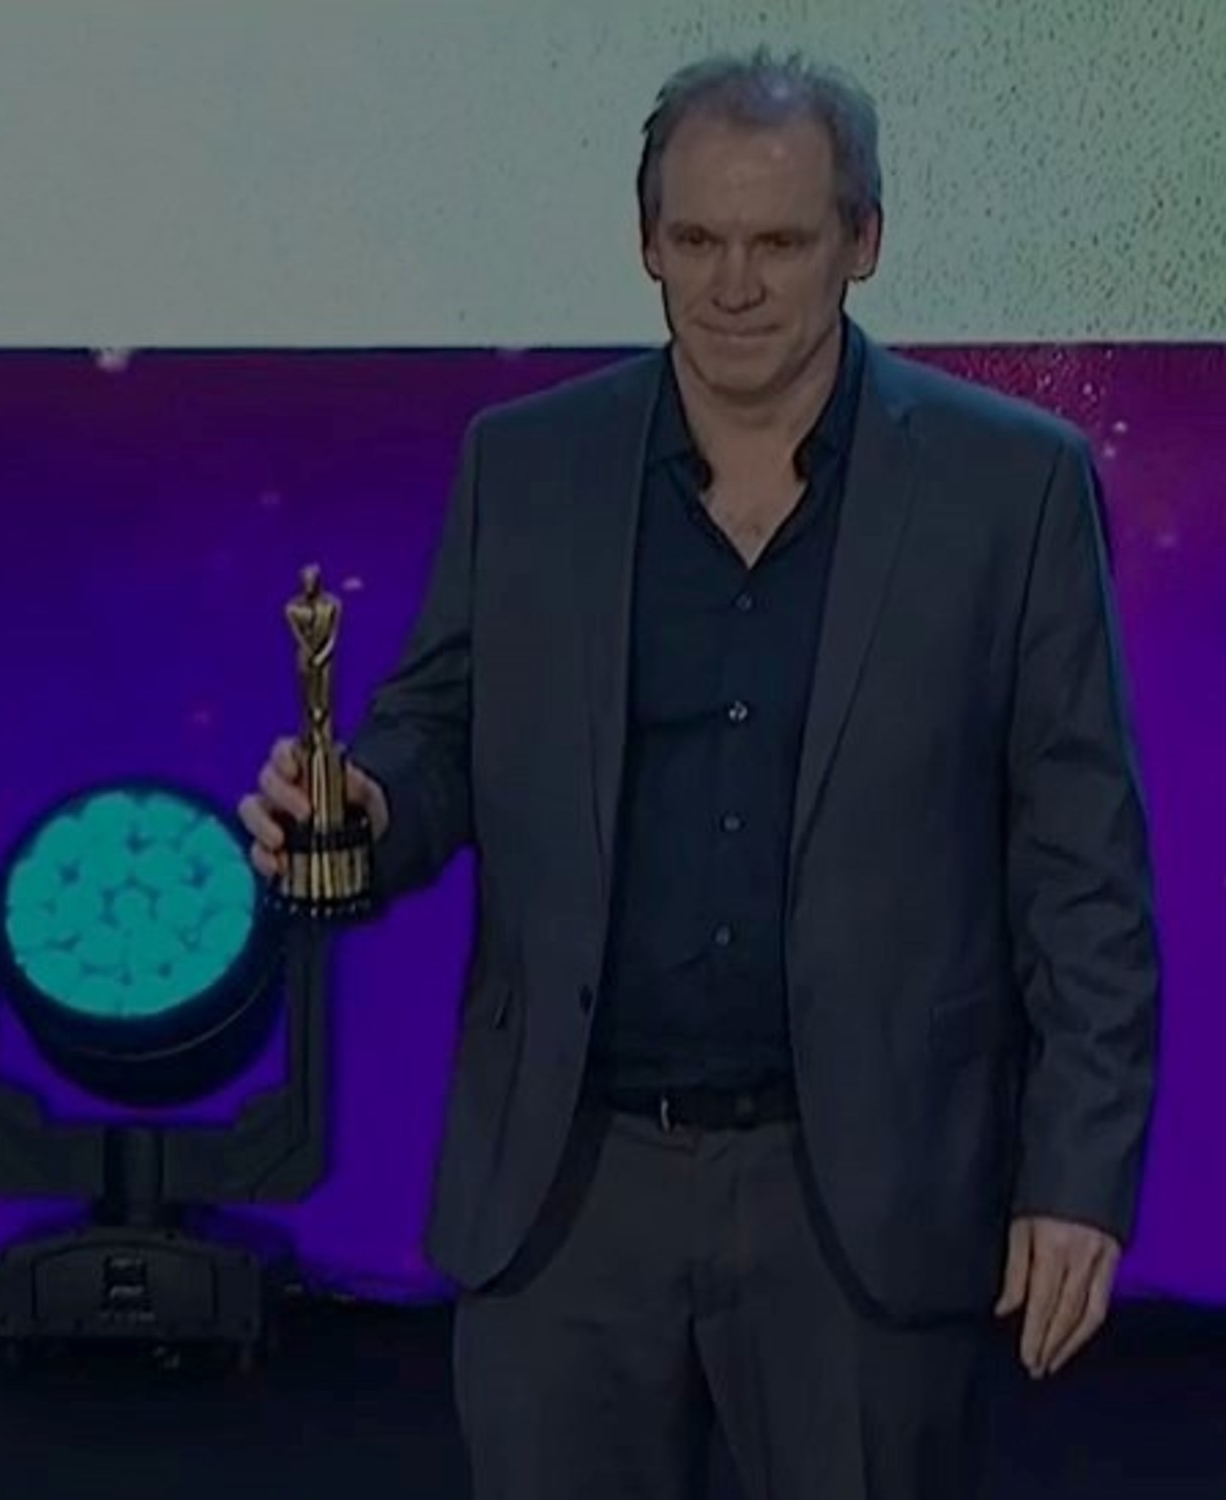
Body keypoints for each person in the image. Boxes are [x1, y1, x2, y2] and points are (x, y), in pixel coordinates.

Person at [240, 48, 1158, 1500]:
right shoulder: (526, 469)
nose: (734, 286)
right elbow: (438, 730)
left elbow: (1082, 870)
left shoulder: (1012, 488)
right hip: (569, 1195)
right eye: (698, 239)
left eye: (779, 242)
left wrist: (1077, 1178)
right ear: (646, 242)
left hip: (865, 1206)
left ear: (864, 240)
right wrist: (366, 806)